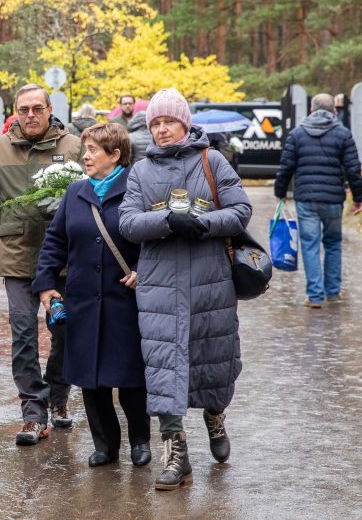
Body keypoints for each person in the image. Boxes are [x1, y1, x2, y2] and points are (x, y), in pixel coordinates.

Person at [118, 88, 251, 490]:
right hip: (158, 284)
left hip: (209, 281)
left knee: (212, 356)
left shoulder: (213, 160)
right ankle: (176, 452)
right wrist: (167, 223)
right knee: (163, 366)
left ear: (185, 123)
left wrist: (204, 223)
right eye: (154, 123)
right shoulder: (140, 172)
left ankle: (215, 416)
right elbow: (127, 222)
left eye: (168, 122)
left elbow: (241, 210)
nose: (160, 129)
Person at [34, 123, 151, 469]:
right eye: (84, 149)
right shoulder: (76, 193)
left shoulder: (137, 190)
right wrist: (45, 284)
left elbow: (156, 242)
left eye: (93, 150)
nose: (85, 156)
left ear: (115, 155)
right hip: (82, 300)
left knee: (131, 377)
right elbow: (54, 242)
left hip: (125, 300)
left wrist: (143, 269)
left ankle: (140, 440)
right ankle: (105, 444)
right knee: (90, 377)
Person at [0, 83, 83, 446]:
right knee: (23, 336)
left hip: (63, 259)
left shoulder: (72, 145)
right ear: (15, 112)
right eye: (24, 109)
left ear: (49, 109)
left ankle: (58, 396)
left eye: (38, 108)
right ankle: (33, 414)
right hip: (17, 256)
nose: (31, 115)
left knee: (64, 332)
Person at [274, 92, 362, 308]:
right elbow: (353, 169)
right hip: (334, 199)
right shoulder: (343, 134)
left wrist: (280, 192)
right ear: (334, 111)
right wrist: (359, 198)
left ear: (312, 110)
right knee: (333, 243)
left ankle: (315, 296)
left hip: (306, 198)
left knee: (310, 244)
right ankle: (333, 292)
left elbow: (286, 166)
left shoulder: (297, 134)